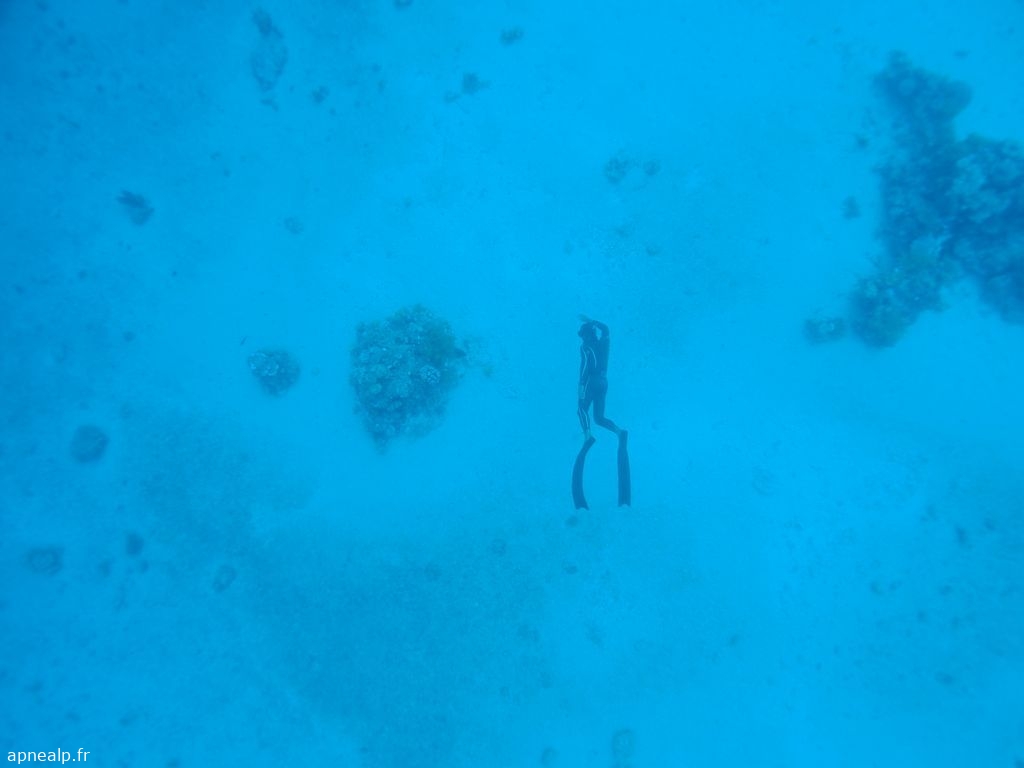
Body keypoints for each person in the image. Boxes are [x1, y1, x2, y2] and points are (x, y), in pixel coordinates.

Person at [572, 316, 630, 509]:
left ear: (585, 335)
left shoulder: (585, 347)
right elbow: (606, 329)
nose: (582, 338)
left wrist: (581, 388)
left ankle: (588, 436)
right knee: (599, 417)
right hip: (604, 382)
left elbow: (584, 369)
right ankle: (619, 431)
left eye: (582, 335)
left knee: (581, 409)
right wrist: (593, 321)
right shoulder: (604, 343)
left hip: (592, 381)